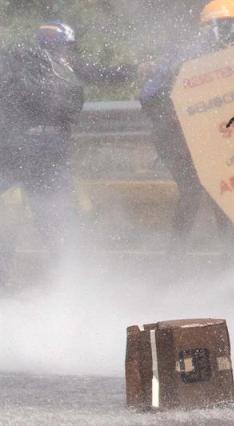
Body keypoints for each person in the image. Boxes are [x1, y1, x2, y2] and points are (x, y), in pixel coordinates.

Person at [0, 21, 134, 286]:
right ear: (59, 46)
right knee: (42, 215)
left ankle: (60, 276)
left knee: (44, 214)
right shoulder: (45, 67)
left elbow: (97, 74)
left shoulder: (28, 64)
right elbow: (98, 74)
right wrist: (131, 71)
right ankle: (63, 276)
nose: (69, 53)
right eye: (67, 47)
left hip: (29, 151)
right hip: (32, 151)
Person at [138, 0, 234, 253]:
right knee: (194, 191)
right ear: (216, 28)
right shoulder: (186, 55)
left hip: (202, 137)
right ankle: (176, 257)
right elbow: (148, 96)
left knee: (220, 191)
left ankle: (229, 255)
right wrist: (177, 118)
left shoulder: (226, 60)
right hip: (175, 136)